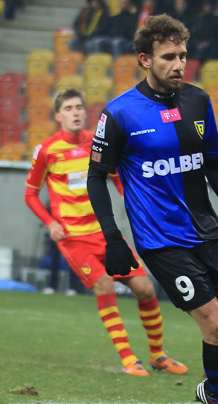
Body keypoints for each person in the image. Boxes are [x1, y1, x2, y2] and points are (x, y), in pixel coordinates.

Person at [87, 15, 218, 404]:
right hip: (162, 241)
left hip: (208, 231)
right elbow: (96, 177)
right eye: (169, 57)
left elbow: (212, 162)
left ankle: (214, 390)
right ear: (145, 59)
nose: (179, 64)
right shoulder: (120, 113)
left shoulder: (197, 101)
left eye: (183, 55)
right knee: (217, 326)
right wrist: (113, 237)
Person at [25, 88, 188, 377]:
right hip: (75, 239)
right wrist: (50, 223)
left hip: (106, 234)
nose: (75, 113)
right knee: (105, 285)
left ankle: (158, 355)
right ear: (58, 116)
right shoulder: (47, 151)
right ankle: (129, 359)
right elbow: (31, 194)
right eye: (68, 109)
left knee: (145, 288)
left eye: (79, 107)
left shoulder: (98, 142)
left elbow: (118, 179)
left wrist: (135, 205)